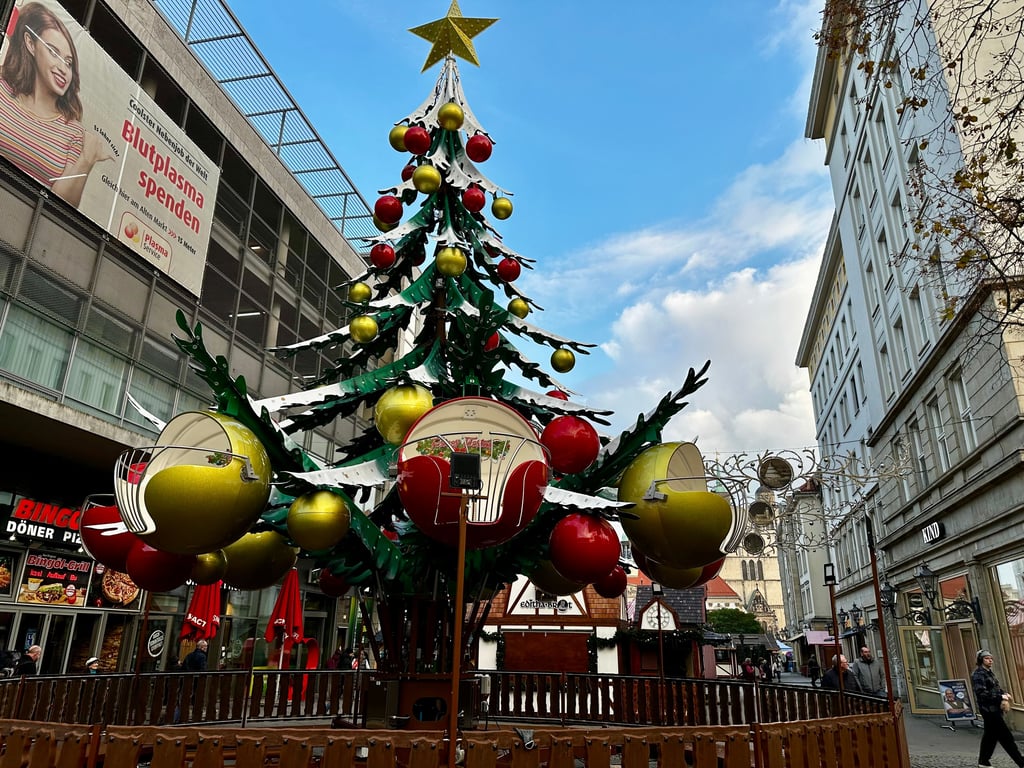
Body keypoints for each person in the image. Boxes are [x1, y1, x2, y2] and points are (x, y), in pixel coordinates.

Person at [0, 2, 112, 207]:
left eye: (68, 62)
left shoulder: (72, 132)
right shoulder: (2, 89)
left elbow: (62, 205)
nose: (63, 68)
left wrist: (86, 160)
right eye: (53, 52)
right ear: (30, 44)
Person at [972, 649, 1024, 768]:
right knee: (1006, 737)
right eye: (986, 658)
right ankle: (1021, 762)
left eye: (991, 658)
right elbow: (981, 694)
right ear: (980, 660)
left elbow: (995, 688)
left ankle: (983, 761)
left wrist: (1004, 694)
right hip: (988, 710)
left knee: (990, 737)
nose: (990, 660)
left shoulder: (989, 673)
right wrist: (1001, 696)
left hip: (995, 710)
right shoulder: (978, 674)